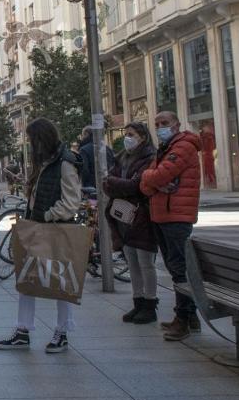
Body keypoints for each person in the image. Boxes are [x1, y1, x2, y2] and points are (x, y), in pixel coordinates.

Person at [0, 118, 82, 353]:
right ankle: (22, 330)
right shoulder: (45, 163)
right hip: (37, 225)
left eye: (32, 139)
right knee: (27, 278)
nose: (30, 144)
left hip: (57, 228)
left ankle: (62, 331)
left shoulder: (65, 163)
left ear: (42, 139)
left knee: (61, 281)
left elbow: (72, 202)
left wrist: (47, 214)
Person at [140, 111, 203, 341]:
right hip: (164, 214)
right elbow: (146, 184)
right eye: (157, 124)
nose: (160, 127)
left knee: (179, 270)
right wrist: (151, 180)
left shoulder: (183, 147)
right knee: (175, 268)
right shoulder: (166, 148)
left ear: (177, 124)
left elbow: (156, 177)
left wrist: (150, 178)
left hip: (176, 216)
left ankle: (184, 319)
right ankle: (188, 317)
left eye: (164, 123)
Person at [103, 122, 160, 324]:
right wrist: (118, 185)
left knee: (146, 263)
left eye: (131, 134)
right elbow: (107, 183)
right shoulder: (121, 157)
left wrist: (116, 184)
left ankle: (150, 304)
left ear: (142, 137)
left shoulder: (150, 158)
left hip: (142, 216)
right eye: (125, 133)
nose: (127, 137)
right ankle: (138, 302)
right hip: (123, 216)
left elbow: (136, 186)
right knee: (132, 262)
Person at [78, 126, 118, 191]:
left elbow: (84, 170)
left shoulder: (83, 150)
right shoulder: (107, 148)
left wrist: (85, 185)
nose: (81, 138)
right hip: (108, 184)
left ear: (86, 134)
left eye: (82, 135)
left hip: (92, 186)